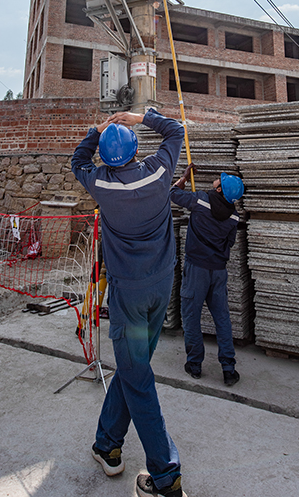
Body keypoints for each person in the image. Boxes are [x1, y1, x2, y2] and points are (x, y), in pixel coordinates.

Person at [72, 108, 187, 497]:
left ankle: (166, 475)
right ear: (137, 148)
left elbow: (77, 159)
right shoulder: (159, 173)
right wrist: (138, 116)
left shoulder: (100, 184)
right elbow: (175, 130)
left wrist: (98, 129)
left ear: (106, 158)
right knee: (132, 365)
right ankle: (107, 443)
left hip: (129, 297)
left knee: (136, 375)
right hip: (160, 287)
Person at [170, 165, 244, 386]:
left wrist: (183, 177)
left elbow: (172, 194)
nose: (216, 182)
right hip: (218, 271)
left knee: (191, 316)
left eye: (219, 182)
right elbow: (229, 243)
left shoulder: (201, 201)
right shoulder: (234, 217)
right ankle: (229, 369)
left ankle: (194, 365)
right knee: (222, 318)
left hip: (197, 270)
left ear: (220, 190)